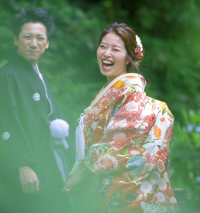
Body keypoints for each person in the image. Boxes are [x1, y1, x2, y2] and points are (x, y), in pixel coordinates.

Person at [64, 23, 179, 213]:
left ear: (129, 57)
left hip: (123, 193)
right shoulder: (114, 91)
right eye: (103, 46)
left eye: (115, 49)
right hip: (101, 189)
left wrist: (83, 173)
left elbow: (116, 142)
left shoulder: (132, 94)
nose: (106, 53)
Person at [0, 8, 74, 213]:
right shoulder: (7, 76)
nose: (33, 43)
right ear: (16, 40)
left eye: (39, 38)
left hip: (48, 161)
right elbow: (5, 124)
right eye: (27, 37)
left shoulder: (38, 76)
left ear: (47, 43)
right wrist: (22, 165)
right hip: (26, 168)